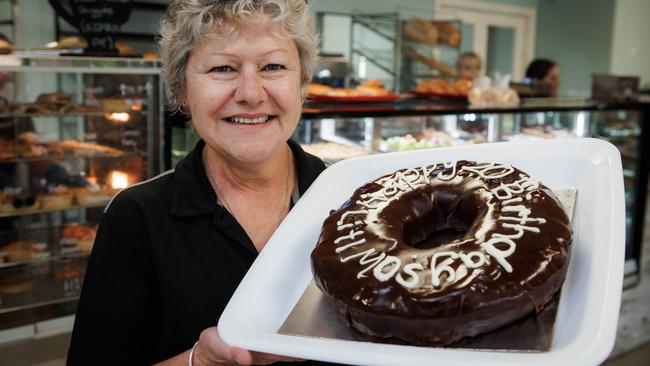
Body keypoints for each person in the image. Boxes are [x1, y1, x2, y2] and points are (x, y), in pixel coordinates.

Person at [67, 1, 332, 365]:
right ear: (181, 91)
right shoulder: (138, 217)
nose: (251, 94)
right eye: (223, 68)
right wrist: (201, 360)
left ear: (301, 82)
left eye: (273, 66)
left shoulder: (353, 198)